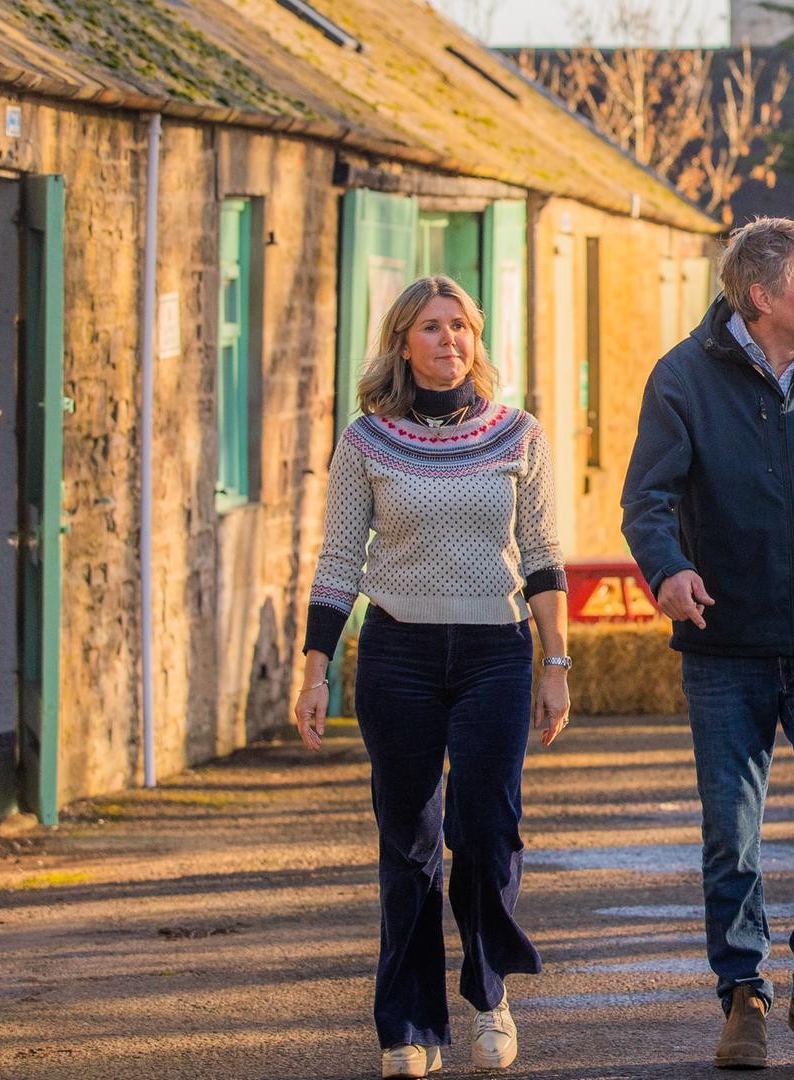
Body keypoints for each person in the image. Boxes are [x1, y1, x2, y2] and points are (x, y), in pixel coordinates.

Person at [621, 217, 794, 1071]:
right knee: (731, 829)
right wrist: (669, 571)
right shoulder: (681, 377)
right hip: (724, 646)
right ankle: (743, 993)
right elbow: (648, 501)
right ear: (762, 295)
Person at [293, 275, 570, 1079]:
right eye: (432, 328)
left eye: (462, 327)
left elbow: (546, 557)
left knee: (484, 832)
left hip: (495, 651)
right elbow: (339, 563)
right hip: (398, 654)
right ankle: (408, 1027)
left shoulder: (520, 435)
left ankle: (489, 998)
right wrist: (317, 673)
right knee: (409, 844)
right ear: (402, 343)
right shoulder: (367, 441)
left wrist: (555, 664)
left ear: (476, 342)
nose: (450, 341)